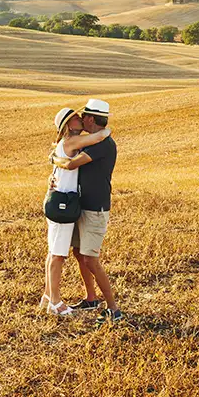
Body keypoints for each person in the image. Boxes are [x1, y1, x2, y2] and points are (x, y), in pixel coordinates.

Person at [52, 99, 122, 325]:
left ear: (91, 119)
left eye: (84, 116)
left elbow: (72, 165)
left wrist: (54, 160)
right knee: (79, 254)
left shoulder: (103, 144)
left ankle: (113, 309)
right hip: (83, 205)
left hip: (95, 209)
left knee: (91, 258)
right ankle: (91, 298)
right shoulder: (91, 141)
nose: (82, 119)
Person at [41, 107, 111, 316]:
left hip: (61, 201)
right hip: (64, 203)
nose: (80, 118)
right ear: (68, 126)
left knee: (54, 252)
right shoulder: (71, 142)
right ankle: (55, 302)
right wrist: (107, 130)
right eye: (75, 118)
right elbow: (100, 136)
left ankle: (47, 296)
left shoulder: (65, 145)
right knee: (58, 255)